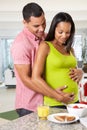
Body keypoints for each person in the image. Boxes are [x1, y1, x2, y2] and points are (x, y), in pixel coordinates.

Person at [11, 2, 83, 117]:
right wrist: (56, 95)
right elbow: (26, 79)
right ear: (25, 23)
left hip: (50, 101)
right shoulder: (21, 44)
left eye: (43, 23)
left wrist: (80, 72)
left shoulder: (45, 37)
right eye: (36, 26)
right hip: (29, 104)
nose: (41, 29)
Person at [32, 12, 83, 108]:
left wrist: (80, 73)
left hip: (75, 102)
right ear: (53, 29)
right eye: (60, 32)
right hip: (55, 103)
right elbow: (35, 78)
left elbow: (75, 72)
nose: (64, 36)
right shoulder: (45, 46)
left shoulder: (70, 49)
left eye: (67, 32)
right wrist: (59, 97)